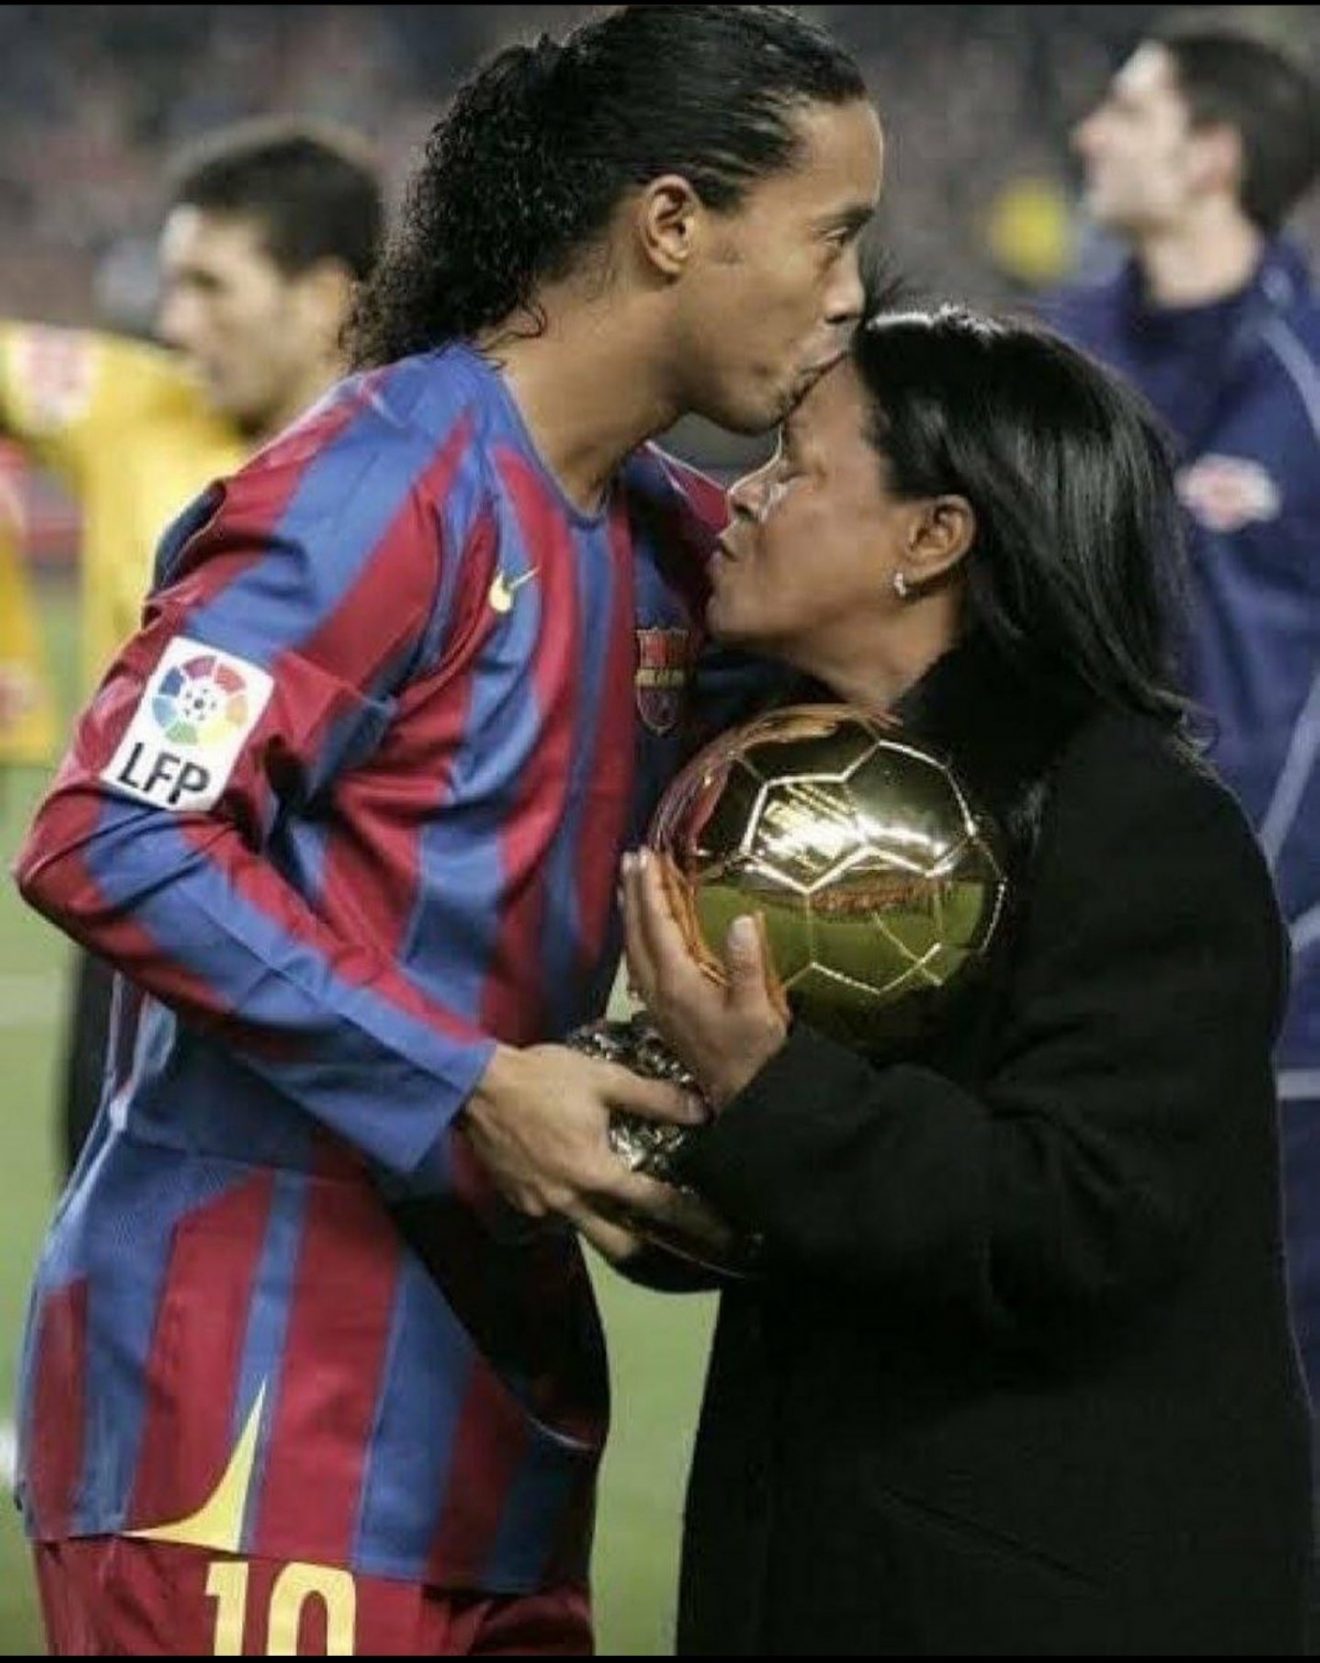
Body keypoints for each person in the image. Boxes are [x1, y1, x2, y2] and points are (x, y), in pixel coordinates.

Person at [11, 6, 882, 1655]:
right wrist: (468, 1082)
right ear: (673, 221)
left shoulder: (669, 539)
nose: (849, 293)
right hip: (256, 1431)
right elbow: (109, 833)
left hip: (497, 1429)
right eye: (829, 234)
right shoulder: (373, 488)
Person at [615, 305, 1312, 1655]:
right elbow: (815, 1212)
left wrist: (764, 1088)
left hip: (1047, 1600)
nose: (743, 496)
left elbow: (1079, 1217)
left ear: (933, 536)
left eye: (797, 466)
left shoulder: (1137, 822)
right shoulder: (796, 798)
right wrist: (651, 1147)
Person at [0, 116, 386, 1175]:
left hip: (328, 925)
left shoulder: (416, 458)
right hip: (130, 909)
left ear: (324, 298)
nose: (173, 322)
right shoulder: (130, 407)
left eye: (210, 286)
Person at [1039, 18, 1320, 1397]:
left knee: (1282, 1391)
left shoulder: (1308, 374)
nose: (1090, 133)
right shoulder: (1059, 357)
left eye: (1131, 111)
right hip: (1075, 953)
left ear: (1211, 155)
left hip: (1292, 989)